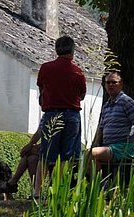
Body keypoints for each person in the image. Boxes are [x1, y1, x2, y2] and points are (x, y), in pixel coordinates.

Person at [23, 35, 86, 197]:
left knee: (45, 155)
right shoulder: (77, 71)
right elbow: (82, 95)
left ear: (56, 49)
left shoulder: (46, 68)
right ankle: (58, 190)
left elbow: (41, 88)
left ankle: (37, 192)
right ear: (72, 51)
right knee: (66, 156)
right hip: (72, 114)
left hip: (51, 113)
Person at [90, 71, 134, 167]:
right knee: (84, 155)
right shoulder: (106, 106)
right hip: (108, 148)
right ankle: (98, 181)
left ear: (121, 84)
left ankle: (99, 181)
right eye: (108, 82)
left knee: (93, 154)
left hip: (123, 148)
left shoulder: (126, 101)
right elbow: (101, 129)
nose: (110, 85)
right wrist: (96, 144)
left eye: (114, 82)